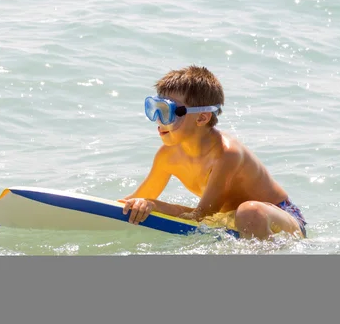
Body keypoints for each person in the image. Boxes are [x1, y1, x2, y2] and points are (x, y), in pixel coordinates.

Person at [118, 65, 307, 240]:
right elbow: (136, 199)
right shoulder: (167, 155)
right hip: (233, 221)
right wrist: (130, 206)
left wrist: (155, 205)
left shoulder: (227, 154)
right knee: (240, 216)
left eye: (168, 111)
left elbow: (201, 216)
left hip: (278, 217)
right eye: (155, 109)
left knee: (248, 211)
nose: (159, 120)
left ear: (202, 117)